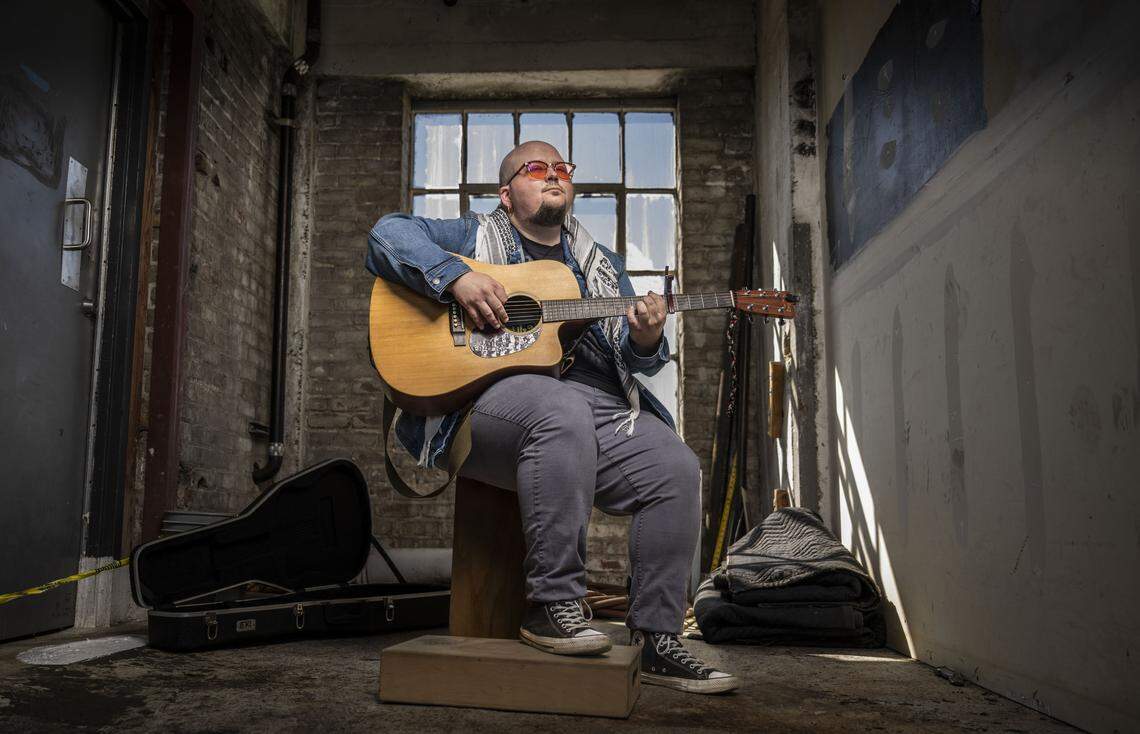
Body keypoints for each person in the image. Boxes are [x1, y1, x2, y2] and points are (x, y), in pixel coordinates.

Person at [365, 140, 738, 694]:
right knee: (559, 409)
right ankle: (552, 605)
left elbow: (637, 358)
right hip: (485, 406)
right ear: (506, 193)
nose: (553, 175)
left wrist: (647, 335)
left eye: (562, 167)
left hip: (589, 409)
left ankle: (658, 639)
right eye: (536, 169)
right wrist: (456, 278)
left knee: (674, 467)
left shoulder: (601, 267)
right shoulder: (473, 238)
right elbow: (385, 233)